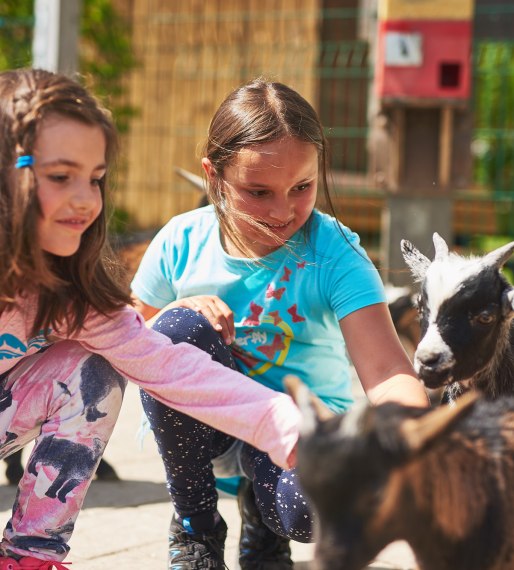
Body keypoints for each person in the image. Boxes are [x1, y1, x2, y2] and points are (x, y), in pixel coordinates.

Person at [0, 69, 301, 570]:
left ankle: (29, 555)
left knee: (90, 368)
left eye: (95, 179)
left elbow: (170, 368)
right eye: (60, 177)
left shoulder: (73, 295)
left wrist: (294, 428)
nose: (85, 199)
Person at [131, 78, 430, 570]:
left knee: (318, 508)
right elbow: (127, 335)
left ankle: (264, 523)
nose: (282, 210)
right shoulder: (181, 240)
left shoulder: (334, 253)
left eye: (302, 187)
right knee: (178, 329)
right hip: (208, 429)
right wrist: (168, 315)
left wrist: (417, 438)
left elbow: (385, 370)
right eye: (257, 191)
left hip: (294, 437)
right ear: (213, 176)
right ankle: (195, 530)